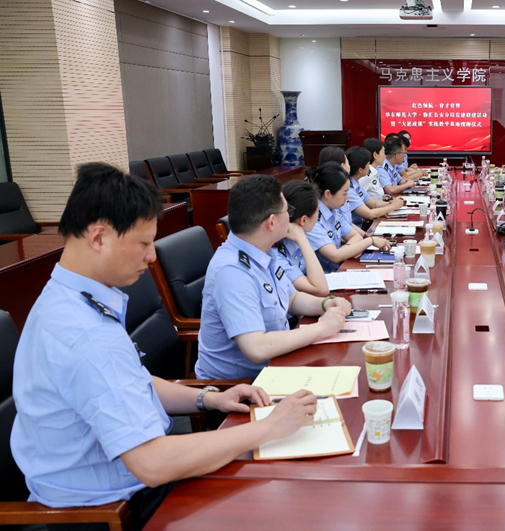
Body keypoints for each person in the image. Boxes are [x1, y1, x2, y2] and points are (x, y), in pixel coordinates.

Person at [10, 163, 318, 530]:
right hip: (115, 510)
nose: (151, 257)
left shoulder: (68, 298)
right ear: (98, 238)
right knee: (287, 501)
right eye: (143, 244)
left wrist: (208, 399)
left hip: (135, 481)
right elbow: (152, 463)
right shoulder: (84, 335)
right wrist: (269, 427)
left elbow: (133, 382)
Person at [195, 174, 352, 380]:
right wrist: (322, 327)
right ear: (271, 222)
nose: (291, 217)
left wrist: (325, 304)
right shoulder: (232, 271)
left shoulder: (264, 251)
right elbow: (257, 348)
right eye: (288, 211)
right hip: (241, 386)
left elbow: (292, 299)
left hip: (279, 364)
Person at [306, 162, 392, 273]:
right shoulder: (312, 219)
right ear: (328, 194)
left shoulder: (333, 210)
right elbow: (335, 256)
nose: (347, 198)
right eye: (344, 193)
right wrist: (369, 241)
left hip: (340, 269)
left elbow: (355, 236)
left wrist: (347, 251)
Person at [271, 179, 329, 297]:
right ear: (303, 220)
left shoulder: (293, 238)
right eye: (317, 212)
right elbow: (321, 289)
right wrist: (302, 239)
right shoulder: (276, 255)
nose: (318, 217)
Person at [345, 146, 405, 225]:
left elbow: (374, 204)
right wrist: (392, 207)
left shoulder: (356, 184)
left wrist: (392, 203)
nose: (369, 166)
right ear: (360, 170)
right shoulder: (349, 189)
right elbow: (370, 214)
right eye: (368, 163)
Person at [359, 137, 392, 202]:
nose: (385, 156)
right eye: (383, 152)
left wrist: (381, 198)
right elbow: (358, 199)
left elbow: (370, 194)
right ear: (375, 155)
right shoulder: (365, 175)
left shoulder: (374, 172)